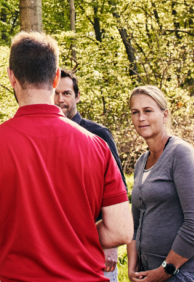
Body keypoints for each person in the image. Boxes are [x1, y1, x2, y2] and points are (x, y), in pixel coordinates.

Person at [0, 32, 132, 282]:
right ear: (56, 76)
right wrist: (78, 237)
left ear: (11, 77)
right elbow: (121, 230)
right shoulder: (97, 145)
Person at [126, 87, 194, 282]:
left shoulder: (180, 154)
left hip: (183, 274)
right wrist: (132, 267)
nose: (141, 118)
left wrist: (165, 270)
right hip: (148, 273)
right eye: (135, 112)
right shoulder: (141, 161)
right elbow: (135, 221)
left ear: (165, 115)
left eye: (148, 111)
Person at [56, 68, 127, 281]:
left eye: (66, 93)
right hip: (57, 249)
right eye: (55, 93)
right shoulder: (44, 137)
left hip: (95, 248)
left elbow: (118, 192)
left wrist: (111, 245)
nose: (60, 100)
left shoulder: (98, 135)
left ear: (77, 96)